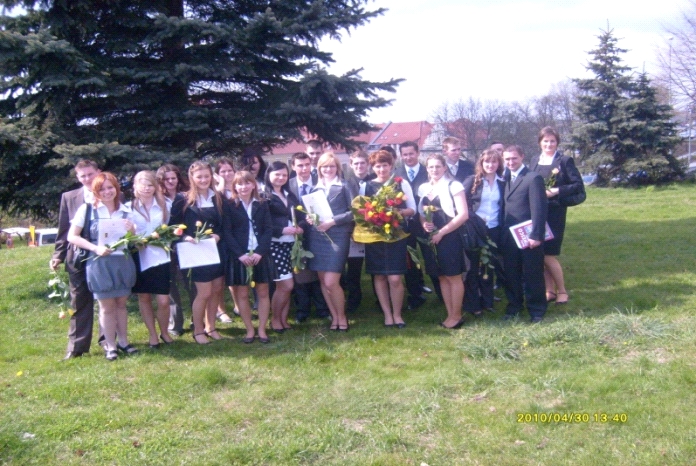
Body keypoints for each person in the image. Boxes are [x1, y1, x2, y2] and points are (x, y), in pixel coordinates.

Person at [67, 172, 137, 361]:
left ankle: (124, 342)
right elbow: (72, 236)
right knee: (106, 306)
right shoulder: (87, 209)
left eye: (110, 187)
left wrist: (132, 231)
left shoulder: (126, 211)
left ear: (116, 188)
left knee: (121, 305)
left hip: (122, 262)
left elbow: (133, 241)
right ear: (96, 191)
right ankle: (110, 346)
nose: (107, 192)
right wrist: (95, 248)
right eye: (102, 189)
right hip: (99, 263)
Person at [169, 161, 227, 344]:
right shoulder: (183, 199)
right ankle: (198, 330)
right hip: (195, 252)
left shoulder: (218, 197)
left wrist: (218, 235)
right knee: (204, 292)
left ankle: (211, 327)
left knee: (216, 290)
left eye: (207, 176)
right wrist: (185, 237)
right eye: (199, 177)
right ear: (192, 178)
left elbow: (225, 224)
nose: (203, 180)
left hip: (216, 250)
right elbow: (173, 227)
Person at [51, 160, 100, 360]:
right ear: (78, 178)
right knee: (79, 301)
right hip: (77, 256)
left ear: (98, 172)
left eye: (90, 174)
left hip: (103, 255)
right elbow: (64, 230)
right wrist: (58, 255)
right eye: (83, 176)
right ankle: (76, 347)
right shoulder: (69, 197)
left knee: (106, 300)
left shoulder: (111, 192)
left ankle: (108, 341)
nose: (87, 179)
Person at [529, 127, 584, 306]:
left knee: (549, 254)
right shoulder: (534, 160)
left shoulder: (565, 161)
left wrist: (556, 191)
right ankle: (549, 290)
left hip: (554, 213)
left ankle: (562, 291)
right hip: (537, 213)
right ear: (540, 142)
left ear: (557, 142)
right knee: (540, 253)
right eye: (545, 141)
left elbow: (577, 185)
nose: (549, 144)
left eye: (552, 141)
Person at [364, 150, 416, 328]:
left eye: (384, 165)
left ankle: (397, 314)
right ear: (373, 167)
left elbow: (413, 209)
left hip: (397, 235)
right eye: (377, 166)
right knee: (379, 276)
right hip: (375, 237)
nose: (381, 169)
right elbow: (362, 213)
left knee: (395, 278)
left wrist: (397, 212)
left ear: (391, 165)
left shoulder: (401, 183)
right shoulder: (366, 186)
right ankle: (387, 315)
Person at [418, 154, 469, 329]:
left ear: (445, 167)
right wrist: (424, 223)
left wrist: (442, 232)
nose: (434, 170)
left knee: (453, 276)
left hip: (450, 235)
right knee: (441, 276)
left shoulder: (454, 185)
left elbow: (463, 214)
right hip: (432, 237)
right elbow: (421, 213)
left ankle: (457, 315)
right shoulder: (423, 188)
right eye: (431, 167)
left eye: (438, 166)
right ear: (427, 169)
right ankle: (450, 314)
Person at [224, 171, 274, 343]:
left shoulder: (262, 203)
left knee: (263, 292)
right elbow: (227, 232)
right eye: (240, 184)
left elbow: (268, 229)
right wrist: (240, 255)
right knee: (243, 294)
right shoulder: (229, 205)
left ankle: (262, 329)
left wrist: (260, 252)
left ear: (254, 185)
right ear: (234, 186)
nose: (244, 187)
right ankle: (250, 330)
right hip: (240, 256)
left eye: (247, 183)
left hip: (260, 254)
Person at [307, 152, 354, 331]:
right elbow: (311, 212)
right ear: (319, 168)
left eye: (332, 166)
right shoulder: (314, 189)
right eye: (325, 166)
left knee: (331, 282)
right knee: (322, 280)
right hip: (318, 236)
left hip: (338, 236)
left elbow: (355, 212)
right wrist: (311, 218)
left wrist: (333, 221)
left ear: (337, 168)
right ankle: (334, 317)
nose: (328, 169)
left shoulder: (344, 185)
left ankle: (342, 316)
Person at [501, 145, 548, 323]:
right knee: (511, 273)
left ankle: (537, 310)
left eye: (514, 158)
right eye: (507, 159)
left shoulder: (533, 178)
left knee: (532, 273)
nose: (510, 162)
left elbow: (539, 208)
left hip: (528, 235)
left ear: (522, 157)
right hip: (509, 235)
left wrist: (536, 235)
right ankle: (514, 306)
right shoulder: (505, 178)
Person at [128, 171, 174, 348]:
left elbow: (171, 229)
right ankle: (152, 334)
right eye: (143, 185)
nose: (147, 189)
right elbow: (125, 234)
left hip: (161, 256)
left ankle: (164, 332)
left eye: (150, 185)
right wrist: (133, 237)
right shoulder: (129, 207)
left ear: (155, 187)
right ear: (135, 186)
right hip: (139, 256)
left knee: (163, 300)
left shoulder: (165, 204)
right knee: (144, 297)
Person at [394, 141, 442, 307]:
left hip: (427, 223)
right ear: (401, 155)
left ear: (418, 153)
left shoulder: (428, 171)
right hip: (405, 226)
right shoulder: (396, 175)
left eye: (411, 153)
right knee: (410, 262)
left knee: (432, 258)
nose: (408, 157)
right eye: (405, 154)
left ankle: (442, 294)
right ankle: (415, 296)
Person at [287, 152, 330, 321]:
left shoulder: (320, 183)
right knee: (300, 271)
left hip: (319, 233)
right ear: (293, 166)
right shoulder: (288, 185)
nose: (304, 169)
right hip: (296, 234)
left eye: (307, 164)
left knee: (319, 271)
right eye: (300, 165)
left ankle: (322, 309)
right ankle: (302, 310)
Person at [462, 150, 505, 316]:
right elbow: (461, 204)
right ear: (481, 163)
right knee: (472, 267)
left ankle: (488, 301)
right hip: (474, 230)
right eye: (487, 162)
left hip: (494, 229)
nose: (490, 165)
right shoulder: (472, 180)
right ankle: (473, 304)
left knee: (488, 265)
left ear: (498, 164)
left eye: (494, 162)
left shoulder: (503, 182)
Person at [264, 162, 304, 333]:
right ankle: (275, 319)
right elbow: (262, 223)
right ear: (268, 175)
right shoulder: (264, 196)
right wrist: (281, 230)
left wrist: (301, 227)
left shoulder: (289, 194)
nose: (281, 178)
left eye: (284, 175)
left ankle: (283, 319)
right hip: (275, 245)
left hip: (292, 244)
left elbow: (301, 216)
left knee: (287, 286)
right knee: (286, 285)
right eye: (277, 174)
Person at [156, 163, 189, 336]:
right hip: (165, 245)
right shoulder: (157, 198)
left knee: (191, 282)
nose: (170, 181)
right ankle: (176, 323)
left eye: (173, 178)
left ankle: (199, 320)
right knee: (170, 285)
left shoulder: (186, 196)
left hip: (185, 243)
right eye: (166, 179)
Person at [342, 150, 375, 312]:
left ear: (368, 164)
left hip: (375, 230)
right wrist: (352, 231)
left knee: (376, 267)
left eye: (363, 163)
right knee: (354, 269)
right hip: (354, 232)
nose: (360, 166)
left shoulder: (375, 182)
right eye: (356, 163)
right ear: (351, 165)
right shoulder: (346, 183)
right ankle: (354, 299)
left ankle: (380, 298)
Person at [213, 158, 237, 323]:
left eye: (230, 170)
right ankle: (220, 310)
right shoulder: (215, 191)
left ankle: (238, 305)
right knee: (220, 278)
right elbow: (217, 199)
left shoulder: (239, 187)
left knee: (235, 275)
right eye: (223, 171)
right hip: (221, 238)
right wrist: (220, 183)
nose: (227, 174)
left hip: (237, 237)